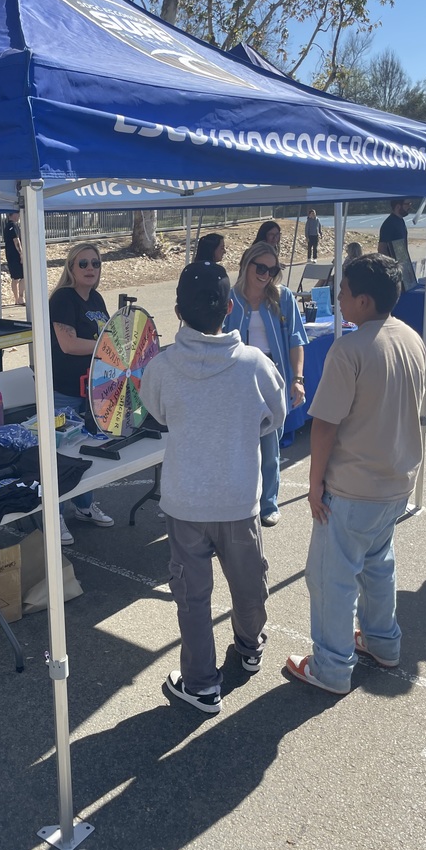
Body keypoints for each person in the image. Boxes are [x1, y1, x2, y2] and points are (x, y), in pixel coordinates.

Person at [140, 262, 287, 714]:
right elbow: (275, 418)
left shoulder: (162, 367)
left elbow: (158, 413)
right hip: (239, 498)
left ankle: (202, 683)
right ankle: (249, 644)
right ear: (229, 308)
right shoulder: (255, 365)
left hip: (185, 501)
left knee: (192, 597)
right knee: (248, 582)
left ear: (178, 311)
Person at [286, 254, 426, 695]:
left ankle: (331, 667)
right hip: (396, 481)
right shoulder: (411, 339)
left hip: (353, 488)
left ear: (363, 301)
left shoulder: (349, 350)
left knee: (332, 579)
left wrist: (314, 485)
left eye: (343, 292)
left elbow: (325, 426)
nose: (339, 299)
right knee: (378, 566)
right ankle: (383, 642)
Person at [224, 241, 308, 526]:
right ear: (246, 265)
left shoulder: (283, 298)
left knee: (270, 447)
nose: (265, 274)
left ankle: (268, 504)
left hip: (273, 378)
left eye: (272, 270)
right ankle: (239, 501)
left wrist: (298, 379)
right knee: (238, 446)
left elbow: (296, 340)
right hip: (237, 380)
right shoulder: (229, 298)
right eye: (260, 267)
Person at [49, 243, 114, 545]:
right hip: (64, 390)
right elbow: (69, 344)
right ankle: (56, 515)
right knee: (62, 454)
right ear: (71, 268)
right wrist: (106, 346)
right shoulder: (63, 298)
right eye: (83, 263)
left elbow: (110, 337)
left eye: (95, 263)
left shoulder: (97, 298)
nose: (90, 268)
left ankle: (85, 505)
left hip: (93, 389)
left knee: (88, 449)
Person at [2, 211, 25, 305]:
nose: (19, 215)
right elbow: (16, 240)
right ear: (13, 215)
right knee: (22, 276)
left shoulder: (7, 226)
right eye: (17, 214)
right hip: (15, 255)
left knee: (15, 278)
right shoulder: (12, 226)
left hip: (10, 255)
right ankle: (20, 298)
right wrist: (21, 254)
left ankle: (17, 299)